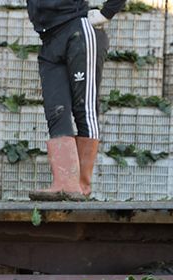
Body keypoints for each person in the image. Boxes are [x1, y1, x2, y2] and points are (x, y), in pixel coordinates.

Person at [26, 0, 126, 200]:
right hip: (50, 40)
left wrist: (107, 13)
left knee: (84, 108)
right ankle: (65, 183)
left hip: (78, 30)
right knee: (56, 110)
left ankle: (81, 185)